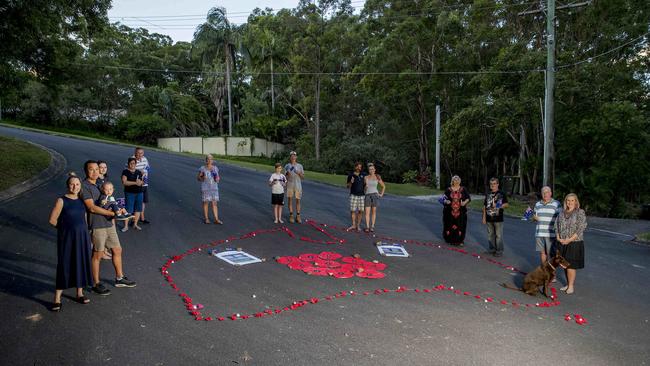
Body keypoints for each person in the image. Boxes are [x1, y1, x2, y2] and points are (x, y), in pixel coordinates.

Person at [81, 160, 136, 296]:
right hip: (97, 225)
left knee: (117, 249)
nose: (94, 172)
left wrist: (120, 209)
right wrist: (113, 214)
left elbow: (110, 199)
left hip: (108, 223)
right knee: (97, 254)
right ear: (86, 171)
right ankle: (96, 283)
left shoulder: (101, 184)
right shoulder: (84, 186)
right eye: (91, 169)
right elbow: (91, 207)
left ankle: (119, 278)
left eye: (96, 169)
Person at [48, 173, 93, 311]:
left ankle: (79, 293)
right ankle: (57, 299)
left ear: (80, 186)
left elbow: (84, 220)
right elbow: (52, 220)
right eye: (72, 184)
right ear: (68, 186)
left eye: (77, 184)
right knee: (64, 265)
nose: (75, 186)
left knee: (80, 263)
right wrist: (65, 230)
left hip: (83, 238)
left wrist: (89, 238)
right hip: (67, 239)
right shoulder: (61, 200)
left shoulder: (81, 200)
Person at [555, 193, 587, 294]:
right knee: (564, 264)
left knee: (571, 265)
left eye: (572, 200)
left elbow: (581, 227)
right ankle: (568, 284)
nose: (570, 202)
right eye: (568, 200)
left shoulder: (580, 212)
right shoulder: (561, 212)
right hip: (562, 242)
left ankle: (571, 286)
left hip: (574, 243)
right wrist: (558, 237)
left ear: (576, 201)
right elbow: (556, 225)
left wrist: (569, 239)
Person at [532, 186, 561, 265]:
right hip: (539, 233)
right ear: (541, 194)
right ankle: (544, 272)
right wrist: (534, 218)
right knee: (542, 253)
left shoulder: (556, 203)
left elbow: (560, 219)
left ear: (550, 193)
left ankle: (552, 275)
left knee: (551, 254)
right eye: (543, 192)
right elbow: (534, 218)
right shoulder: (537, 204)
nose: (545, 194)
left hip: (551, 234)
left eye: (547, 192)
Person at [482, 177, 509, 257]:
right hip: (489, 218)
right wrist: (484, 217)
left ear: (498, 184)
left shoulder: (501, 193)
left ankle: (499, 251)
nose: (492, 185)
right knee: (490, 234)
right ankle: (492, 249)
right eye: (491, 184)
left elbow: (506, 204)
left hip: (498, 219)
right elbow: (484, 206)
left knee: (498, 235)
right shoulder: (488, 194)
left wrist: (498, 205)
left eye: (494, 183)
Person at [442, 175, 471, 246]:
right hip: (449, 212)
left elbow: (468, 198)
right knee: (449, 225)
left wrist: (464, 202)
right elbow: (442, 199)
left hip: (460, 212)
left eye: (458, 179)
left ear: (460, 181)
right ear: (452, 181)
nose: (456, 181)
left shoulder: (463, 189)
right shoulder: (448, 190)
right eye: (455, 179)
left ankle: (460, 240)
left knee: (460, 226)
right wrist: (446, 201)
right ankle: (450, 240)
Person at [197, 154, 223, 224]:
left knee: (214, 203)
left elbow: (218, 178)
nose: (209, 160)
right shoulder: (202, 168)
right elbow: (198, 178)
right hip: (206, 188)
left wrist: (217, 179)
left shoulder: (215, 168)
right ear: (206, 160)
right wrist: (202, 177)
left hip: (214, 188)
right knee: (206, 203)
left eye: (211, 159)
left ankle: (216, 219)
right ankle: (206, 218)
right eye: (208, 159)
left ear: (213, 160)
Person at [121, 157, 144, 232]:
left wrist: (140, 182)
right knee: (128, 209)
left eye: (134, 163)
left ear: (136, 164)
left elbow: (141, 182)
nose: (132, 165)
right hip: (129, 193)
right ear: (128, 164)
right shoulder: (125, 172)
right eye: (130, 163)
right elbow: (124, 182)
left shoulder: (138, 172)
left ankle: (135, 224)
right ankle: (126, 226)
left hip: (139, 193)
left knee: (138, 209)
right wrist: (135, 183)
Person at [363, 163, 386, 233]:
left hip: (375, 195)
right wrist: (365, 187)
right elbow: (364, 190)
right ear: (368, 170)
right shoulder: (366, 177)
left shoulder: (377, 177)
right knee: (367, 212)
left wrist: (381, 194)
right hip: (367, 195)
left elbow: (383, 186)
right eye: (370, 169)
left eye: (372, 169)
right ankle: (367, 227)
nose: (371, 170)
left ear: (375, 170)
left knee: (373, 212)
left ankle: (372, 226)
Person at [284, 151, 304, 223]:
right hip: (290, 185)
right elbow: (285, 177)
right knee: (290, 200)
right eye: (291, 156)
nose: (293, 157)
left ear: (296, 157)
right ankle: (291, 215)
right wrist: (288, 174)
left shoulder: (300, 166)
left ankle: (298, 216)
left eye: (294, 156)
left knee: (298, 200)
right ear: (290, 157)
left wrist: (298, 173)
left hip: (298, 185)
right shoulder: (287, 166)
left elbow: (303, 177)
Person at [346, 162, 365, 231]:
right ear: (355, 167)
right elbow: (348, 186)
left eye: (360, 167)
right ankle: (353, 225)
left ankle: (358, 225)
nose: (359, 168)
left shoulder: (363, 174)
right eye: (358, 167)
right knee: (353, 210)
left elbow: (366, 183)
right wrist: (351, 182)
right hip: (353, 195)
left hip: (362, 195)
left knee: (361, 211)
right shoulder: (351, 175)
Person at [134, 147, 151, 224]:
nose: (140, 155)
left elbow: (148, 168)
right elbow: (127, 171)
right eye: (138, 153)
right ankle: (134, 219)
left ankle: (142, 218)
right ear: (135, 152)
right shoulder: (132, 160)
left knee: (143, 201)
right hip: (137, 184)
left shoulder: (145, 159)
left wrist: (144, 171)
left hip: (145, 183)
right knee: (137, 201)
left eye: (141, 153)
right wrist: (139, 171)